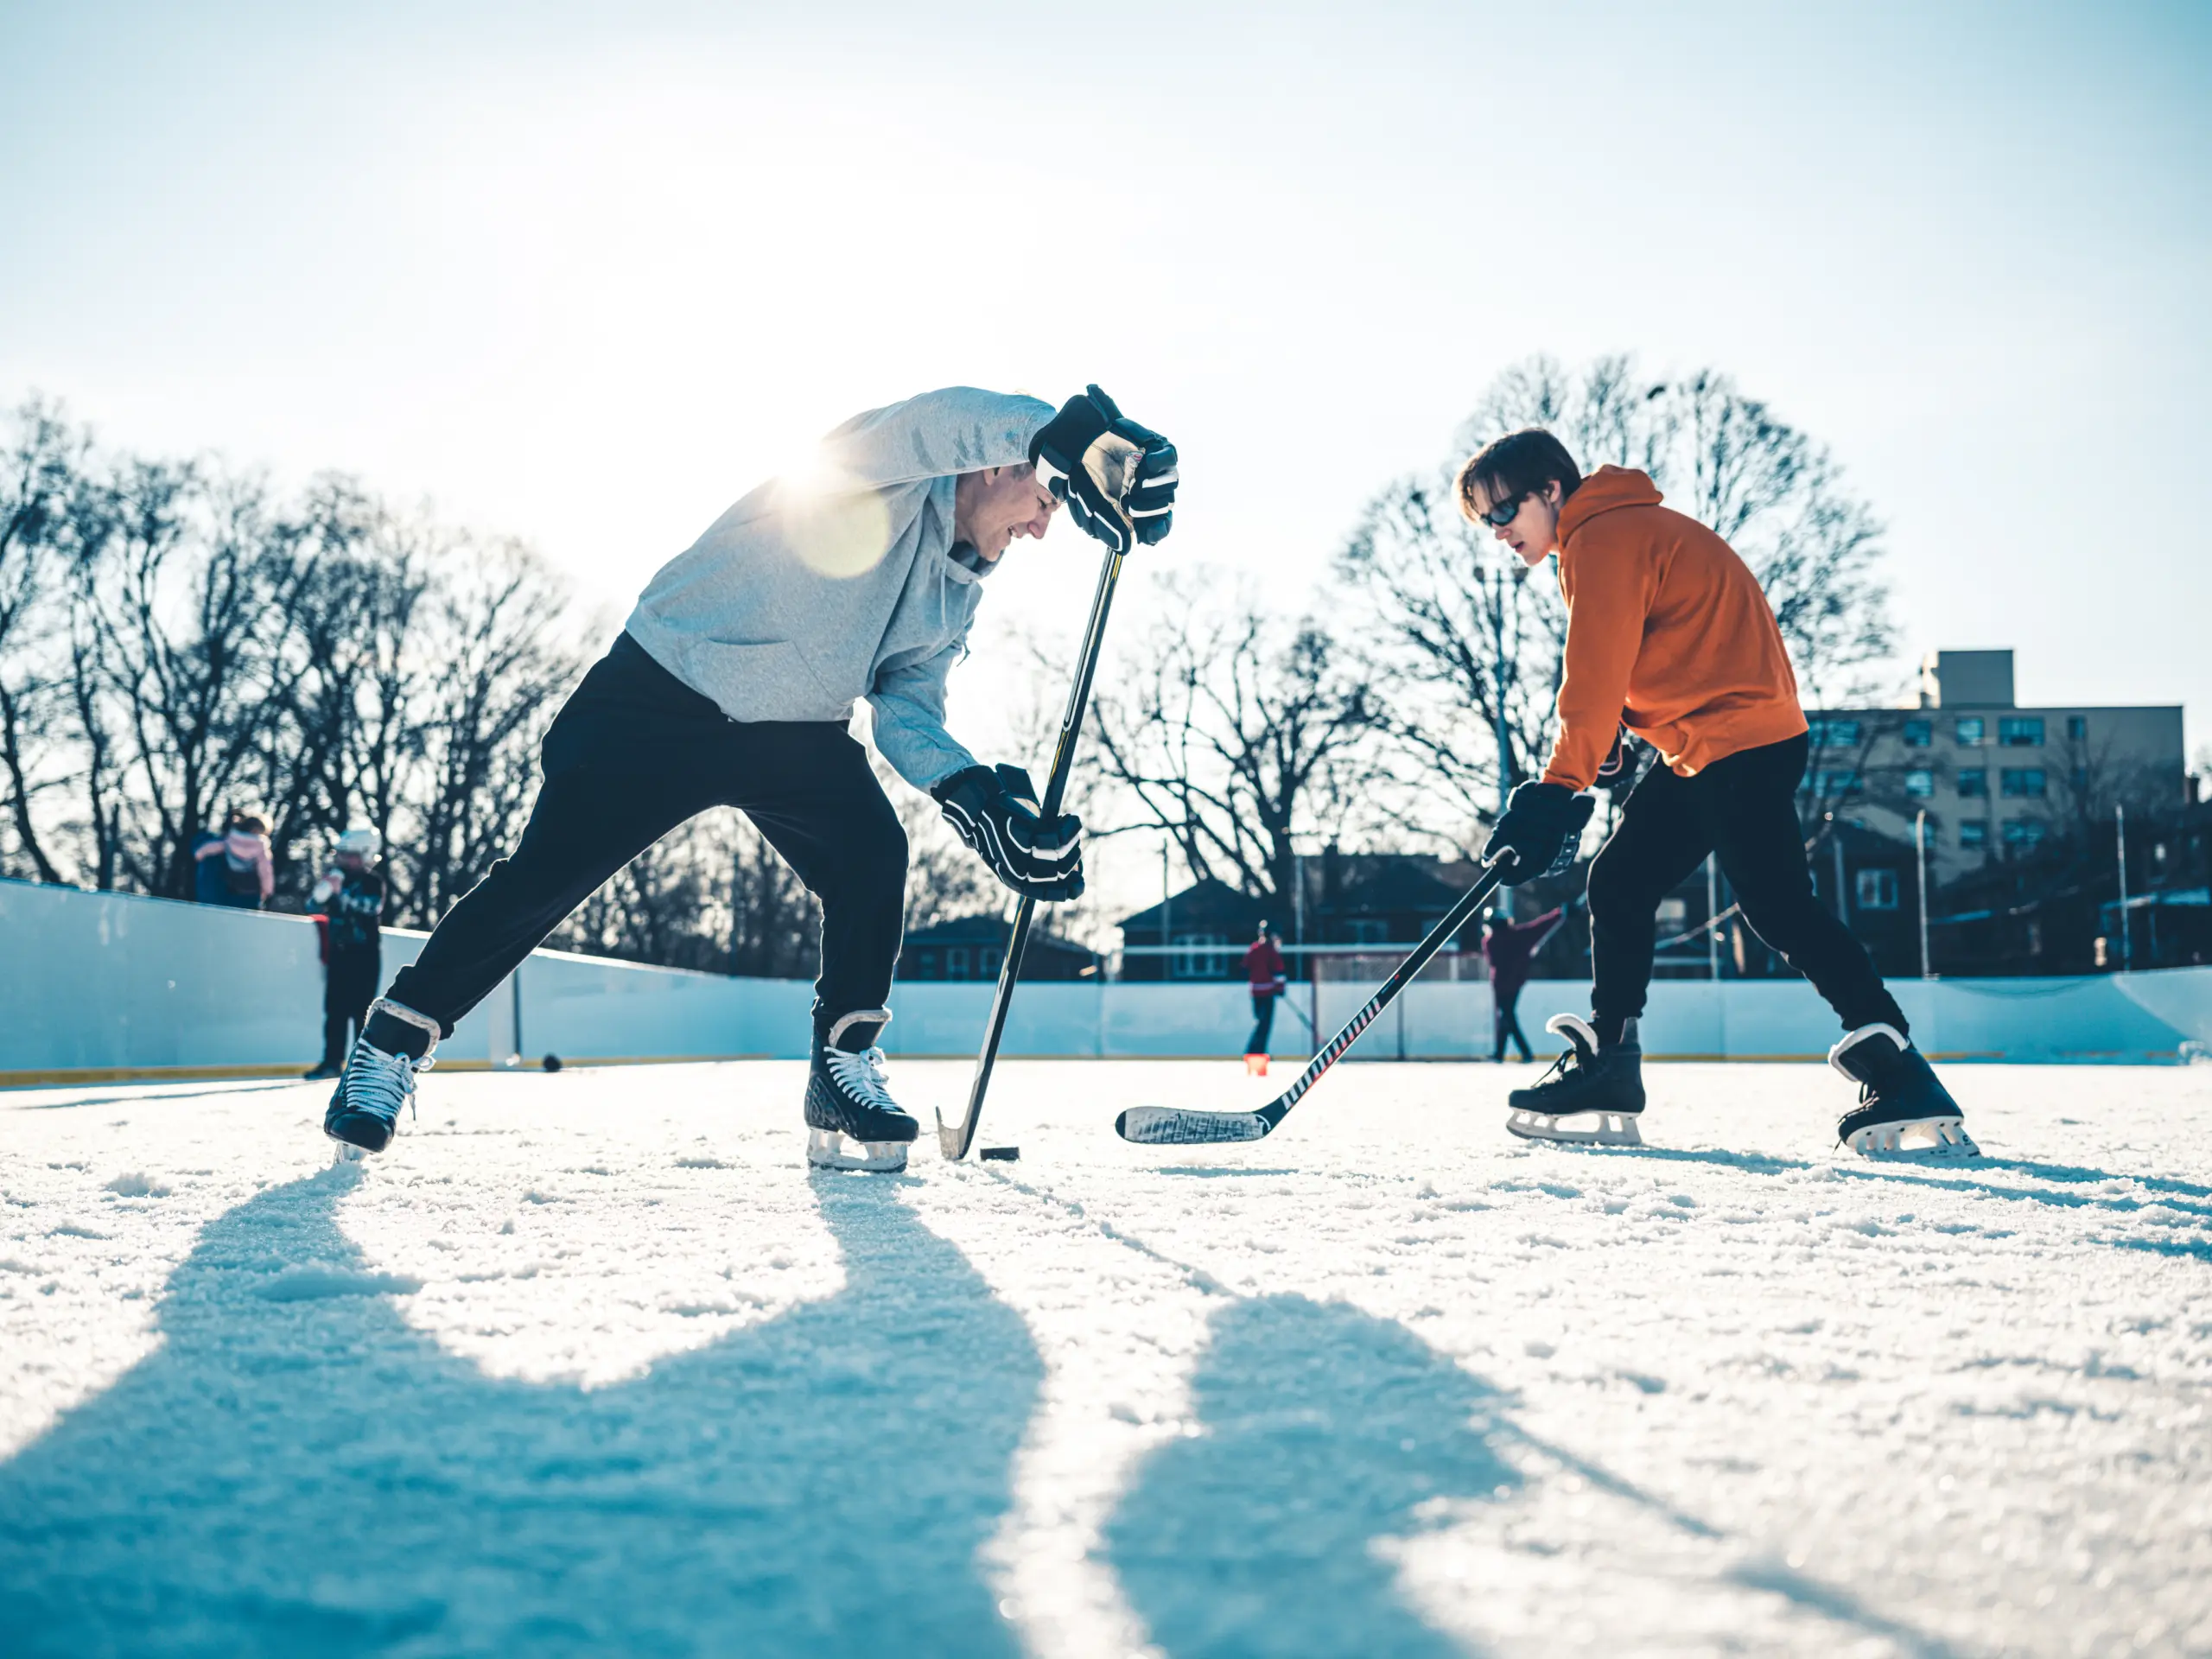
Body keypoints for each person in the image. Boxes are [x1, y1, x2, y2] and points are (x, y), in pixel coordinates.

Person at [321, 385, 1177, 1173]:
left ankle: (841, 1068)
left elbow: (907, 709)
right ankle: (391, 1046)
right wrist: (1052, 430)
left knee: (872, 855)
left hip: (791, 733)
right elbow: (934, 420)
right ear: (998, 464)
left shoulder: (956, 591)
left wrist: (977, 799)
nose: (1040, 529)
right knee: (542, 881)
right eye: (1045, 500)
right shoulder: (878, 474)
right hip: (658, 699)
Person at [1464, 429, 1976, 1157]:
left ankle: (1900, 1071)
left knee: (1776, 906)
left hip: (1742, 741)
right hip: (1711, 744)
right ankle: (1610, 1065)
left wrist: (1558, 789)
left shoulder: (1603, 538)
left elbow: (1591, 681)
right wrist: (1607, 745)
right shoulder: (1613, 536)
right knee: (1620, 880)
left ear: (1552, 489)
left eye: (1505, 509)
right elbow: (1644, 660)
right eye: (1486, 519)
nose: (1499, 530)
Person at [303, 826, 386, 1081]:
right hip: (339, 955)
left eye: (349, 854)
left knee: (362, 1011)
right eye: (341, 854)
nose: (342, 859)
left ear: (364, 855)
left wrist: (341, 894)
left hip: (365, 955)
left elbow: (370, 908)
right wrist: (325, 891)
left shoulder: (373, 882)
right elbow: (312, 905)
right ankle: (331, 1061)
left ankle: (361, 1065)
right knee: (335, 1011)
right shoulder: (334, 878)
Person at [1480, 901, 1569, 1062]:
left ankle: (1523, 1053)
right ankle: (1501, 1053)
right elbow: (1540, 926)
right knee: (1506, 1017)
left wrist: (1560, 913)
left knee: (1508, 1017)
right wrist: (1560, 913)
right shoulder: (1519, 937)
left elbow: (1494, 961)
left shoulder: (1490, 941)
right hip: (1515, 983)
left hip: (1501, 985)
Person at [194, 811, 273, 910]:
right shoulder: (261, 846)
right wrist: (267, 889)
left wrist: (200, 853)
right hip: (247, 878)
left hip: (231, 872)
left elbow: (216, 847)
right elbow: (265, 869)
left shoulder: (233, 838)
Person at [1241, 920, 1287, 1058]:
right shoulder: (1271, 952)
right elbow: (1279, 972)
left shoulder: (1254, 949)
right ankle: (1256, 1051)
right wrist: (1280, 988)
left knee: (1259, 1021)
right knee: (1265, 1024)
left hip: (1255, 992)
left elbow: (1245, 967)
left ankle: (1255, 1050)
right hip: (1267, 992)